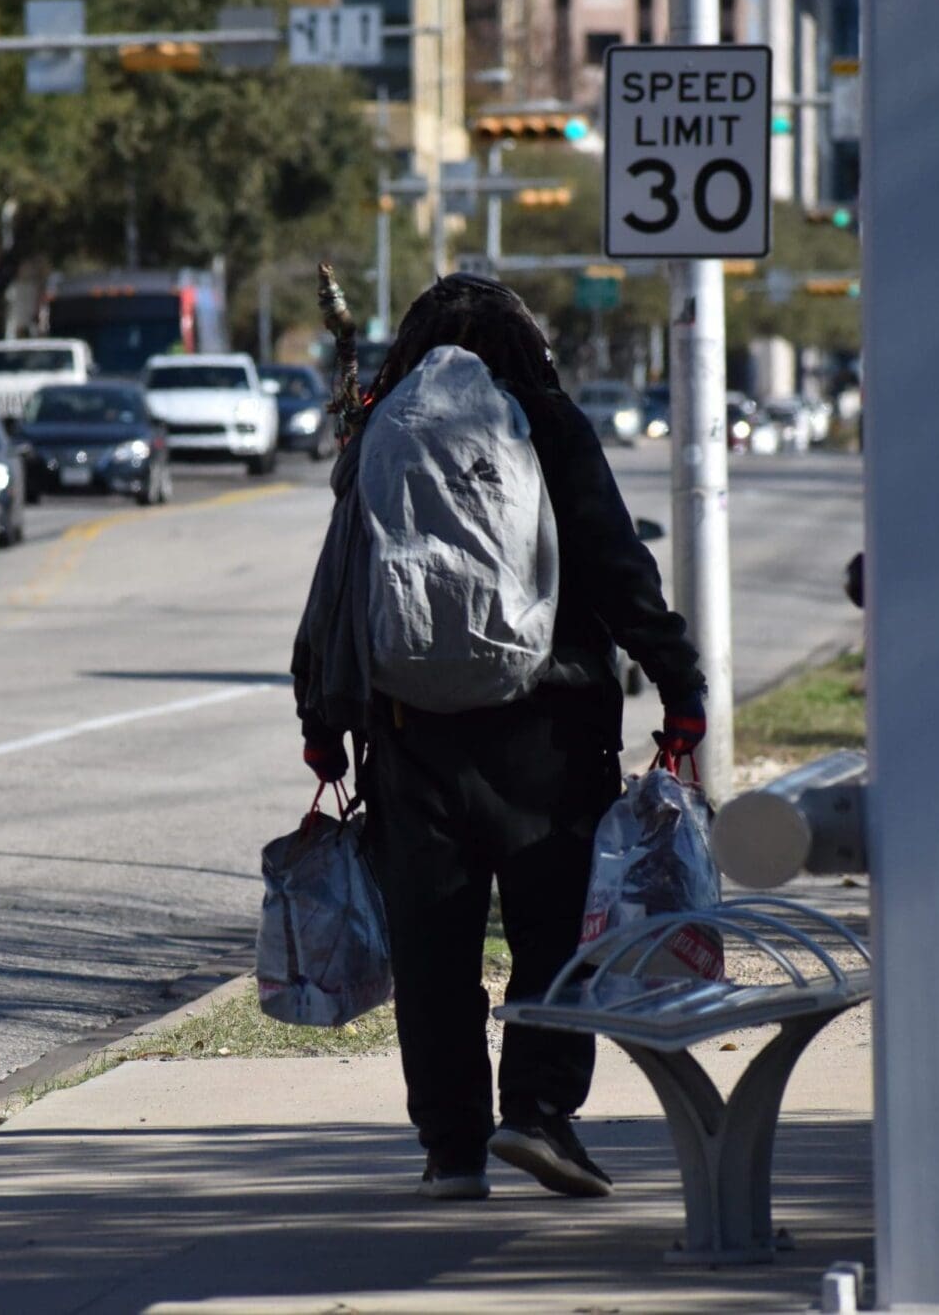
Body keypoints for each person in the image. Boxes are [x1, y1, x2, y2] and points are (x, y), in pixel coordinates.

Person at [294, 273, 706, 1202]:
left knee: (434, 953)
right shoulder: (546, 422)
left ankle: (451, 1148)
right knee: (552, 935)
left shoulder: (382, 430)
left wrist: (322, 723)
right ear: (525, 344)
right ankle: (539, 1113)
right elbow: (614, 564)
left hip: (411, 738)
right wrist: (681, 686)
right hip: (550, 734)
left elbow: (337, 587)